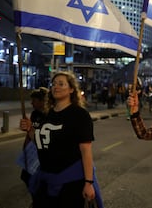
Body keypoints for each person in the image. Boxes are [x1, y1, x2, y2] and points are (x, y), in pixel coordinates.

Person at [19, 71, 103, 208]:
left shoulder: (80, 115)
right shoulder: (47, 115)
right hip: (45, 181)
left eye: (61, 84)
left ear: (71, 89)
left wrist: (88, 183)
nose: (56, 87)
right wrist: (30, 130)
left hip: (70, 183)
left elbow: (86, 151)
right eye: (53, 84)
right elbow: (41, 141)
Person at [19, 87, 49, 202]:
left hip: (43, 154)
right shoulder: (34, 114)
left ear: (42, 101)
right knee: (26, 176)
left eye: (34, 100)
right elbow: (29, 133)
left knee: (40, 182)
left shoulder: (50, 115)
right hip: (32, 153)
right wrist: (25, 149)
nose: (31, 103)